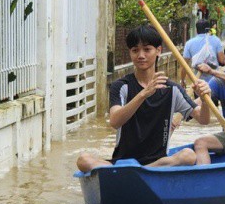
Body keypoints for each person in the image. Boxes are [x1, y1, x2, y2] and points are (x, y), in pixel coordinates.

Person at [76, 25, 212, 171]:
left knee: (188, 156)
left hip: (158, 164)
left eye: (147, 50)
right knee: (83, 160)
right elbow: (115, 121)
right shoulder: (121, 86)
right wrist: (143, 94)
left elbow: (203, 119)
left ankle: (139, 172)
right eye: (135, 50)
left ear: (158, 51)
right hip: (123, 162)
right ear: (130, 53)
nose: (141, 55)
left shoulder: (172, 89)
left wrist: (205, 101)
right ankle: (132, 171)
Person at [180, 19, 225, 89]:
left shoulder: (189, 43)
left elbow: (184, 66)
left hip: (198, 83)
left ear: (196, 30)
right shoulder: (216, 40)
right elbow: (222, 60)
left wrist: (182, 80)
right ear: (208, 29)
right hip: (214, 82)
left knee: (198, 99)